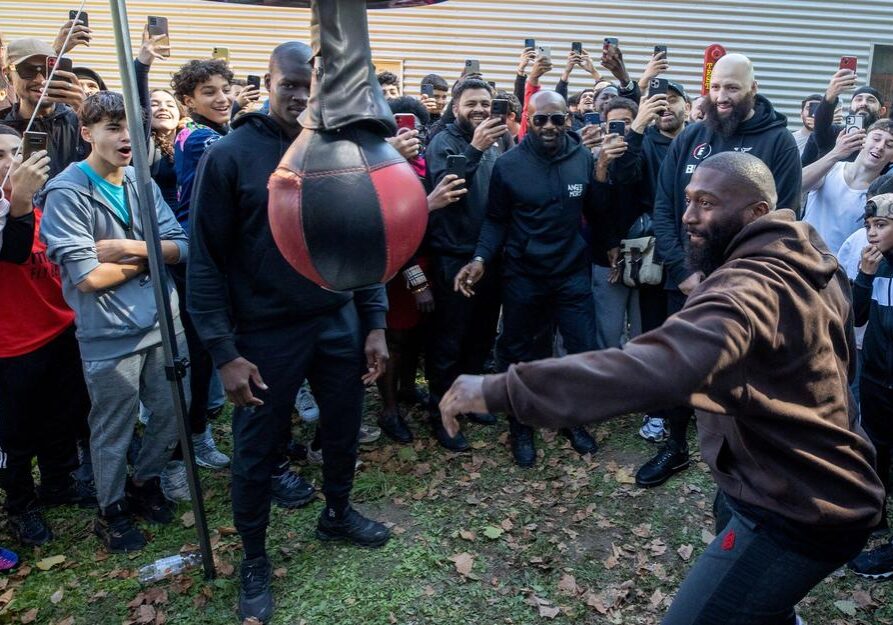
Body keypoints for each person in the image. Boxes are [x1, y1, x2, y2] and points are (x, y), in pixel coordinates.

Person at [440, 151, 884, 625]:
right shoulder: (808, 255)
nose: (689, 217)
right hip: (765, 479)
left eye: (708, 204)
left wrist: (503, 388)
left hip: (800, 509)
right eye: (688, 200)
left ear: (756, 212)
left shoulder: (747, 291)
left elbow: (654, 368)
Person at [187, 42, 392, 624]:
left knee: (344, 426)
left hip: (337, 319)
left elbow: (364, 240)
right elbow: (205, 261)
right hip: (265, 331)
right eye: (290, 85)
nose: (302, 97)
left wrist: (374, 322)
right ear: (268, 83)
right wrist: (224, 352)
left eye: (312, 86)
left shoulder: (339, 147)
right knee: (256, 450)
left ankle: (337, 511)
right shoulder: (230, 155)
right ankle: (254, 558)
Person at [38, 91, 189, 553]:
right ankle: (112, 509)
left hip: (166, 324)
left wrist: (129, 249)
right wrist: (153, 256)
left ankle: (145, 484)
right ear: (87, 133)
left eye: (133, 127)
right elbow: (88, 278)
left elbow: (181, 246)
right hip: (110, 334)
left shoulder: (141, 183)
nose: (128, 137)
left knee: (171, 414)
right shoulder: (67, 192)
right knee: (113, 427)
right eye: (113, 128)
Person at [645, 53, 802, 488]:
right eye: (715, 88)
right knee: (680, 362)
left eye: (732, 88)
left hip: (748, 284)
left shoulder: (778, 142)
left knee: (743, 370)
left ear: (752, 87)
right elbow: (664, 206)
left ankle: (746, 459)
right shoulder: (692, 136)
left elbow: (786, 214)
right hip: (689, 278)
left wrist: (744, 279)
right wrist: (681, 269)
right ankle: (674, 446)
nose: (722, 97)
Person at [454, 90, 598, 467]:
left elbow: (596, 212)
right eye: (540, 119)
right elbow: (496, 219)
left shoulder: (583, 159)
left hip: (570, 274)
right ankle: (521, 425)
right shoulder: (509, 165)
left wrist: (610, 246)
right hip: (524, 275)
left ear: (568, 120)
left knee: (580, 350)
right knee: (520, 353)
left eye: (557, 119)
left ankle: (571, 418)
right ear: (528, 120)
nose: (549, 126)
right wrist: (482, 257)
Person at [0, 125, 94, 548]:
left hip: (58, 330)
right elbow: (14, 251)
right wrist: (18, 202)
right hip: (11, 347)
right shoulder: (12, 212)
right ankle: (20, 506)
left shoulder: (41, 207)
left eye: (16, 151)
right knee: (15, 436)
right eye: (0, 156)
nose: (12, 162)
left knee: (63, 417)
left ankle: (59, 482)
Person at [424, 77, 507, 451]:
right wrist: (474, 149)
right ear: (455, 106)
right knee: (449, 341)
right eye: (471, 103)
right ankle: (443, 413)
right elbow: (448, 190)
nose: (479, 110)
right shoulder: (445, 141)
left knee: (481, 337)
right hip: (453, 256)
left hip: (488, 254)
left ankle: (471, 401)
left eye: (485, 103)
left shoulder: (497, 139)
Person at [166, 58, 232, 481]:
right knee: (195, 356)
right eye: (208, 92)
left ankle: (198, 431)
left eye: (224, 88)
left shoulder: (219, 132)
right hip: (200, 259)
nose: (221, 97)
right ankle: (181, 449)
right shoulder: (199, 137)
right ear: (188, 101)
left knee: (209, 353)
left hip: (220, 254)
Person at [848, 191, 893, 579]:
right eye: (868, 227)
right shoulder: (877, 265)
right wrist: (863, 276)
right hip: (877, 381)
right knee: (876, 451)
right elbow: (855, 316)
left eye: (881, 225)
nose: (872, 234)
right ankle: (875, 518)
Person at [802, 119, 893, 255]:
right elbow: (796, 185)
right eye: (876, 139)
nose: (880, 147)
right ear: (863, 140)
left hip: (841, 268)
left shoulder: (882, 194)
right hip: (802, 256)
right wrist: (835, 153)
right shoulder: (831, 167)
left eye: (889, 145)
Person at [2, 37, 87, 177]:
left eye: (48, 70)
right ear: (8, 76)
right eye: (28, 70)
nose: (41, 80)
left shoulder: (81, 120)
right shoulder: (4, 131)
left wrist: (90, 115)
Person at [806, 63, 888, 165]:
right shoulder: (834, 132)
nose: (863, 103)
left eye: (871, 100)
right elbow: (820, 124)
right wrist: (830, 96)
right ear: (850, 108)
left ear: (882, 111)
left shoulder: (885, 142)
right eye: (858, 99)